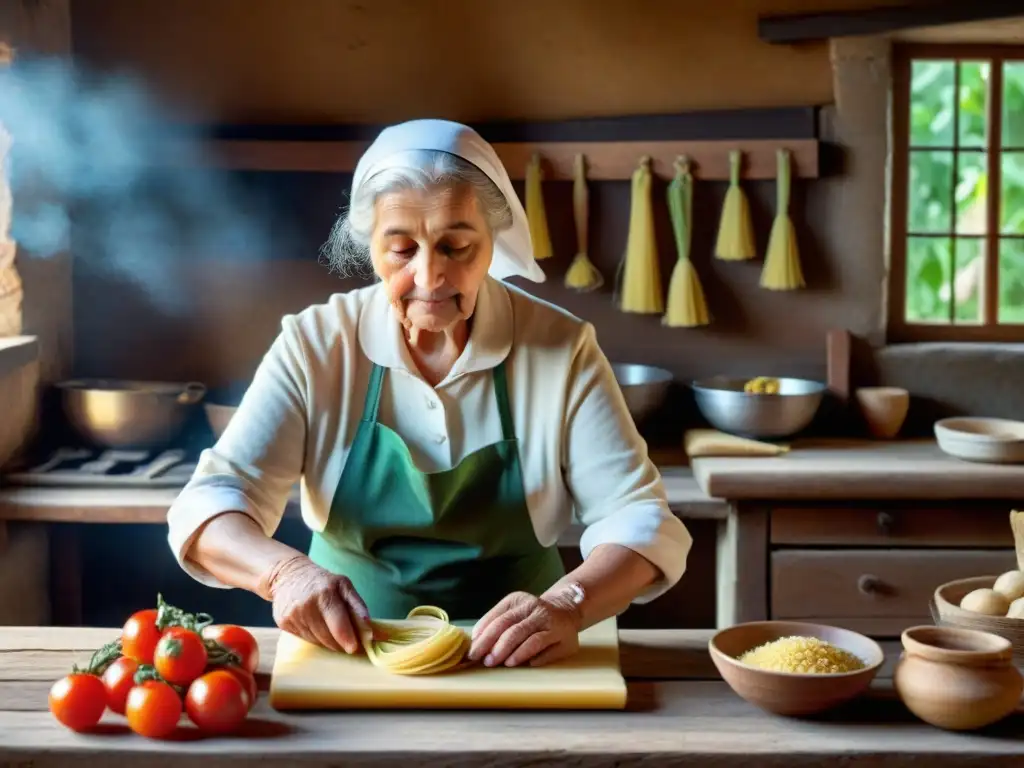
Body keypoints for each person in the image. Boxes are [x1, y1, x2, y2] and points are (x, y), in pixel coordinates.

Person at [166, 119, 692, 669]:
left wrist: (567, 603)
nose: (430, 276)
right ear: (369, 247)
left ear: (493, 243)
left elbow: (639, 520)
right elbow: (211, 502)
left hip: (517, 662)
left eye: (456, 246)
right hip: (349, 656)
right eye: (401, 249)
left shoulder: (562, 349)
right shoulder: (315, 345)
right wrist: (284, 574)